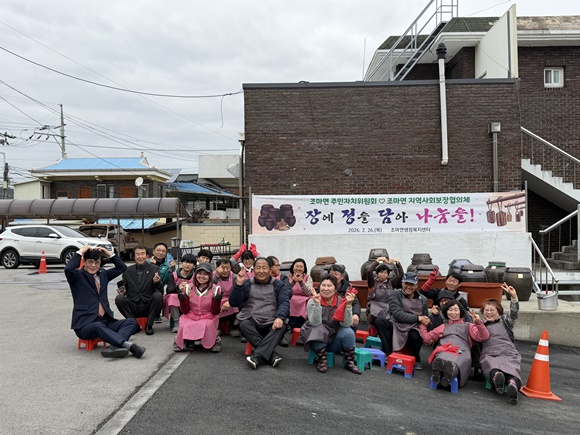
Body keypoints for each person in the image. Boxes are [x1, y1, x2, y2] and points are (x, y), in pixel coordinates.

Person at [66, 246, 145, 359]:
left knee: (131, 322)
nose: (93, 265)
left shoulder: (103, 274)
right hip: (84, 325)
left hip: (105, 321)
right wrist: (81, 251)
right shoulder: (77, 276)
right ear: (85, 262)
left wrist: (108, 254)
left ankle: (114, 347)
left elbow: (122, 267)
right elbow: (68, 268)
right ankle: (129, 346)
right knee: (97, 326)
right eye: (90, 262)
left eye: (97, 262)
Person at [229, 257, 289, 369]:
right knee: (244, 324)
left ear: (270, 270)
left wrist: (280, 317)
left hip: (271, 321)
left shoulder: (279, 285)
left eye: (264, 268)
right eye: (258, 268)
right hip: (251, 320)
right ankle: (271, 354)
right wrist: (239, 285)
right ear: (253, 270)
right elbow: (234, 302)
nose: (261, 271)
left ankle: (257, 356)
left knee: (282, 327)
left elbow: (284, 303)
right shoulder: (247, 284)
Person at [300, 274, 361, 374]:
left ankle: (349, 361)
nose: (326, 289)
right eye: (323, 285)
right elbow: (315, 323)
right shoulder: (312, 300)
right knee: (317, 328)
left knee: (348, 331)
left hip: (333, 338)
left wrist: (348, 306)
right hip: (316, 339)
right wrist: (317, 304)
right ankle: (322, 360)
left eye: (329, 286)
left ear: (335, 288)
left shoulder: (341, 301)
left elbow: (346, 324)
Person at [420, 300, 489, 389]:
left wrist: (478, 322)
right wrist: (423, 326)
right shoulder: (443, 326)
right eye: (450, 310)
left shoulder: (469, 326)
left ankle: (448, 372)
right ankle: (441, 371)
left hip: (461, 351)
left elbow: (483, 337)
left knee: (456, 360)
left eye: (456, 310)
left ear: (460, 312)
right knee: (442, 356)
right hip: (444, 349)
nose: (453, 313)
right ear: (446, 312)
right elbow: (427, 339)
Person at [480, 284, 522, 405]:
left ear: (499, 312)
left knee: (512, 365)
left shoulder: (506, 322)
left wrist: (514, 297)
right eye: (486, 310)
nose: (489, 313)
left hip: (508, 352)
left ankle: (512, 384)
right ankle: (497, 378)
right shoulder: (480, 325)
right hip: (489, 353)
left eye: (492, 310)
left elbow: (514, 313)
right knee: (489, 362)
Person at [174, 263, 223, 352]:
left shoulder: (215, 289)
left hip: (208, 315)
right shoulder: (189, 288)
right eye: (199, 273)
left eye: (205, 274)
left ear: (210, 276)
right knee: (184, 323)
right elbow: (185, 311)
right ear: (195, 274)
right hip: (191, 315)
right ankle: (180, 342)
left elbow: (215, 312)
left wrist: (217, 300)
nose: (202, 276)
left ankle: (215, 341)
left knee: (207, 324)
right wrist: (182, 299)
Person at [115, 246, 164, 335]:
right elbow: (124, 287)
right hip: (134, 304)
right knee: (119, 298)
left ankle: (149, 325)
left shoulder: (154, 268)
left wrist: (157, 282)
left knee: (158, 295)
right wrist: (122, 292)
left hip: (148, 305)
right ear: (134, 256)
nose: (140, 257)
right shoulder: (127, 270)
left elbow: (160, 289)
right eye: (137, 254)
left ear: (147, 256)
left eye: (142, 254)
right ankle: (134, 325)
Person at [389, 272, 429, 370]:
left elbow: (425, 316)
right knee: (381, 322)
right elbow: (398, 314)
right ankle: (388, 352)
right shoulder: (395, 294)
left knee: (416, 335)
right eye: (406, 283)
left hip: (413, 326)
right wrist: (418, 318)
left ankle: (416, 357)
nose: (409, 287)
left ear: (416, 285)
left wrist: (426, 320)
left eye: (412, 284)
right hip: (397, 323)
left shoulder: (423, 299)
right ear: (402, 283)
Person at [366, 256, 403, 355]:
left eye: (386, 273)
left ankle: (391, 346)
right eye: (381, 272)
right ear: (377, 273)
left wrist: (398, 263)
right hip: (374, 308)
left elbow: (401, 275)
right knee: (377, 320)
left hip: (388, 308)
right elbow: (369, 271)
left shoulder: (391, 284)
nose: (383, 274)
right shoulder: (372, 283)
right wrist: (377, 261)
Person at [164, 253, 197, 333]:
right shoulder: (173, 275)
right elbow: (169, 290)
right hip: (177, 298)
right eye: (186, 262)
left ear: (194, 266)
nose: (188, 265)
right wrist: (178, 287)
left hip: (191, 297)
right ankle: (176, 322)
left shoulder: (196, 276)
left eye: (191, 263)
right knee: (172, 296)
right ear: (181, 263)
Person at [148, 242, 176, 323]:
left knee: (159, 293)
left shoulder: (168, 265)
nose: (160, 253)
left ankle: (156, 314)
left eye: (163, 251)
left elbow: (166, 281)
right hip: (145, 288)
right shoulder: (146, 262)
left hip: (158, 289)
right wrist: (150, 267)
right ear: (153, 251)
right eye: (158, 250)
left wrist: (170, 270)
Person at [213, 258, 241, 337]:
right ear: (217, 268)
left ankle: (231, 327)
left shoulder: (234, 277)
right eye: (223, 268)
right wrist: (216, 276)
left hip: (230, 298)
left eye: (228, 268)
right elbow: (209, 288)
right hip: (217, 298)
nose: (225, 270)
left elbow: (237, 291)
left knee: (236, 303)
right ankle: (218, 327)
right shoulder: (212, 275)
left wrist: (230, 301)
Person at [286, 258, 313, 330]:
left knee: (306, 301)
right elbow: (285, 290)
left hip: (304, 298)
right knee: (290, 300)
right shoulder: (288, 276)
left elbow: (308, 293)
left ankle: (301, 324)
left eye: (301, 267)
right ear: (293, 267)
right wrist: (293, 282)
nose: (298, 268)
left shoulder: (308, 277)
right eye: (297, 266)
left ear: (304, 268)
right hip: (291, 297)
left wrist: (301, 282)